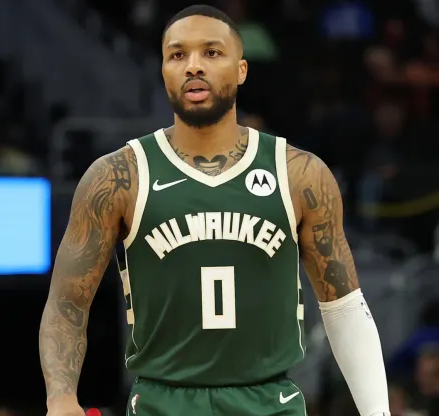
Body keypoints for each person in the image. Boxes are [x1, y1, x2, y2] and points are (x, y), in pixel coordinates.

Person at [39, 5, 390, 416]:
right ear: (164, 71)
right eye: (177, 55)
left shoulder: (300, 174)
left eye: (211, 52)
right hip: (160, 401)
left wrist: (377, 412)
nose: (193, 66)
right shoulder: (118, 176)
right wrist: (61, 397)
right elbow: (67, 303)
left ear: (241, 70)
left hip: (270, 401)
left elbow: (344, 306)